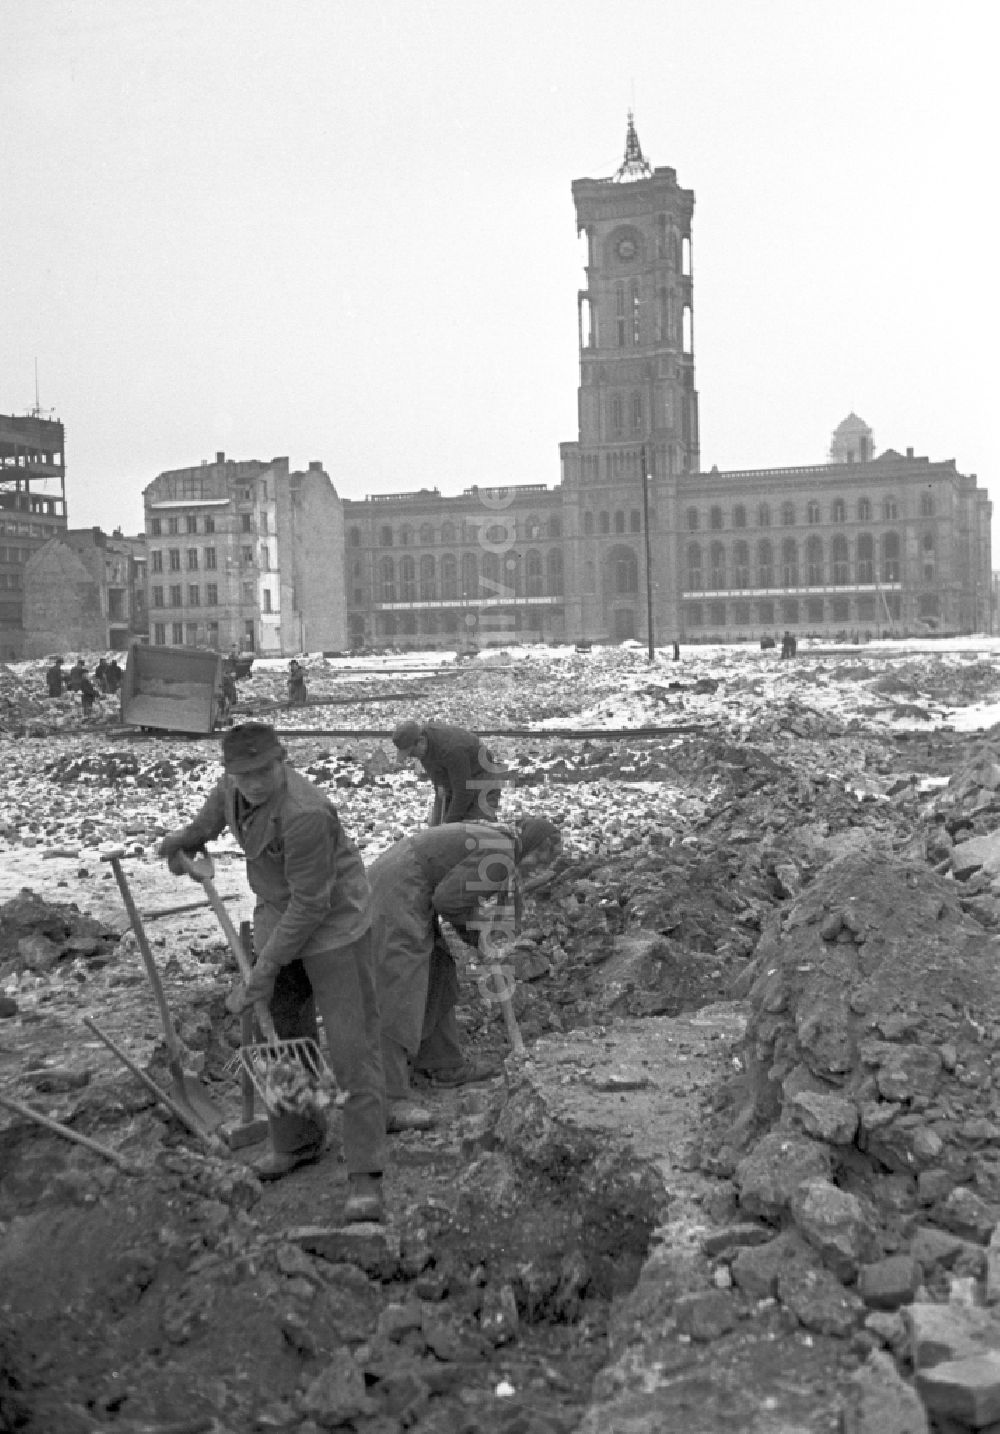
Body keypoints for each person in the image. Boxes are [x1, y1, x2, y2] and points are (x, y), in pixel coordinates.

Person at [156, 722, 387, 1222]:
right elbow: (217, 811)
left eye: (264, 771)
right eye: (244, 774)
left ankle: (366, 1175)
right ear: (231, 772)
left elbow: (311, 903)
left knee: (351, 1049)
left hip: (333, 928)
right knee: (279, 1038)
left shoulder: (304, 813)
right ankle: (300, 1139)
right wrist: (188, 838)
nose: (255, 782)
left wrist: (265, 966)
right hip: (278, 914)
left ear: (281, 761)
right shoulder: (233, 788)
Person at [369, 818, 561, 1115]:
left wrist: (476, 934)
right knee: (401, 980)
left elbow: (455, 892)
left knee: (438, 968)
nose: (534, 870)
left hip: (408, 883)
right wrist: (476, 935)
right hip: (398, 888)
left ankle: (443, 1063)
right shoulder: (502, 854)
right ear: (531, 847)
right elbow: (448, 900)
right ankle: (389, 1097)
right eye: (537, 861)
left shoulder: (502, 846)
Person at [391, 720, 506, 825]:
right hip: (458, 780)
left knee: (476, 830)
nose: (412, 757)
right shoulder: (425, 747)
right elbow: (441, 788)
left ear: (421, 741)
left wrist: (447, 823)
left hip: (482, 779)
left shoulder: (451, 749)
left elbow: (463, 792)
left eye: (412, 753)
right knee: (438, 826)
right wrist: (437, 825)